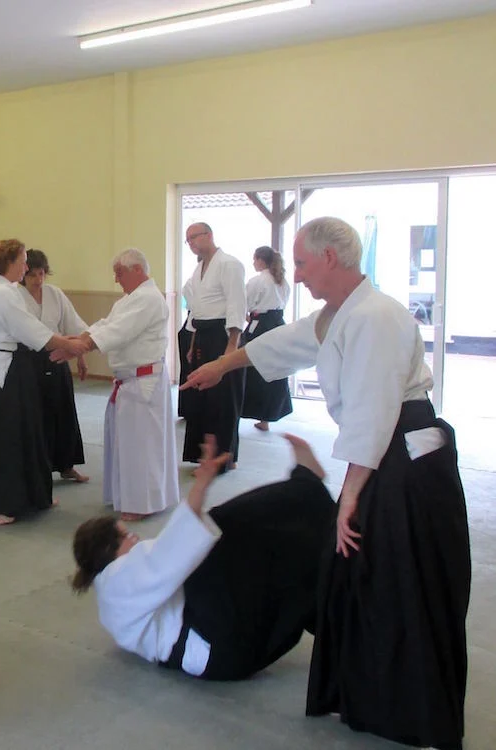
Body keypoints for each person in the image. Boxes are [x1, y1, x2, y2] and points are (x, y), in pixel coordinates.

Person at [184, 217, 471, 750]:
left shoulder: (376, 316)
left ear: (330, 259)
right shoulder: (339, 313)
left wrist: (350, 497)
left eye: (302, 263)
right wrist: (222, 366)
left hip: (404, 460)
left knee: (396, 576)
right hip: (384, 454)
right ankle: (370, 695)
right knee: (361, 573)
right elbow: (285, 343)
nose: (296, 274)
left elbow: (373, 411)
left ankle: (411, 709)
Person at [71, 434, 335, 680]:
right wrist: (201, 485)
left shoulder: (113, 590)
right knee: (224, 527)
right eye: (126, 536)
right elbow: (174, 548)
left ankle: (306, 489)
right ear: (107, 551)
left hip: (221, 648)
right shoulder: (119, 580)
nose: (135, 537)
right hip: (221, 647)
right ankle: (305, 485)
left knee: (229, 544)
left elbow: (174, 551)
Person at [0, 240, 87, 526]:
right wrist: (73, 345)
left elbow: (34, 331)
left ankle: (34, 496)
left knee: (26, 430)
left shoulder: (5, 289)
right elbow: (32, 330)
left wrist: (79, 341)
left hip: (14, 365)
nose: (26, 267)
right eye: (23, 262)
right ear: (9, 262)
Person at [60, 249, 178, 521]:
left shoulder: (149, 299)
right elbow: (107, 324)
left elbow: (119, 331)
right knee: (127, 445)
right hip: (129, 382)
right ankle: (128, 496)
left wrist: (82, 346)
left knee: (141, 446)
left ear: (137, 269)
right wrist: (80, 338)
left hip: (143, 383)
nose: (116, 279)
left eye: (119, 273)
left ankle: (142, 504)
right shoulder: (130, 300)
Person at [19, 249, 89, 483]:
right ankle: (38, 471)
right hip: (29, 361)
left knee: (63, 412)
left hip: (59, 357)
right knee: (37, 417)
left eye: (41, 274)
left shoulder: (55, 294)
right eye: (32, 275)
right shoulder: (15, 296)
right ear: (23, 275)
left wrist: (80, 356)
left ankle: (67, 465)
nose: (38, 280)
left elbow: (74, 325)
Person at [180, 223, 246, 469]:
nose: (191, 243)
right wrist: (192, 342)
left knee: (223, 399)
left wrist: (231, 349)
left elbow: (237, 305)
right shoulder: (199, 269)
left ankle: (224, 457)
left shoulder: (229, 264)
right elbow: (196, 310)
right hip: (202, 336)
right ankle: (205, 455)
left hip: (223, 337)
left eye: (194, 238)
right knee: (202, 398)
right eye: (187, 240)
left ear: (209, 235)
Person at [241, 245, 292, 431]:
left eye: (254, 259)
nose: (253, 263)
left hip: (261, 326)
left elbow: (244, 304)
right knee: (275, 369)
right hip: (278, 324)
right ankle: (266, 418)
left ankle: (251, 411)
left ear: (261, 260)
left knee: (252, 367)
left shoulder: (258, 281)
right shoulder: (282, 281)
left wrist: (249, 317)